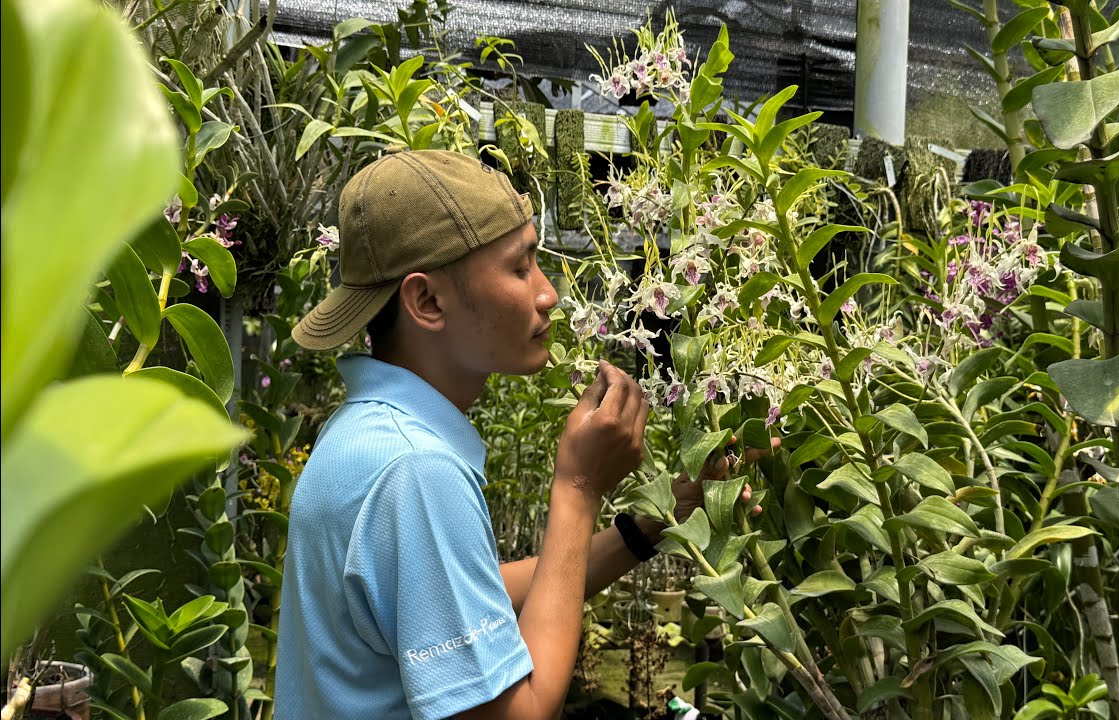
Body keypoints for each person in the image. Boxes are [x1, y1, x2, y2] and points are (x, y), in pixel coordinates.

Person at [275, 149, 770, 720]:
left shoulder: (364, 435)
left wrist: (654, 523)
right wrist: (579, 489)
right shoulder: (415, 469)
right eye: (520, 267)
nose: (548, 293)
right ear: (427, 301)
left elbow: (467, 593)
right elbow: (522, 712)